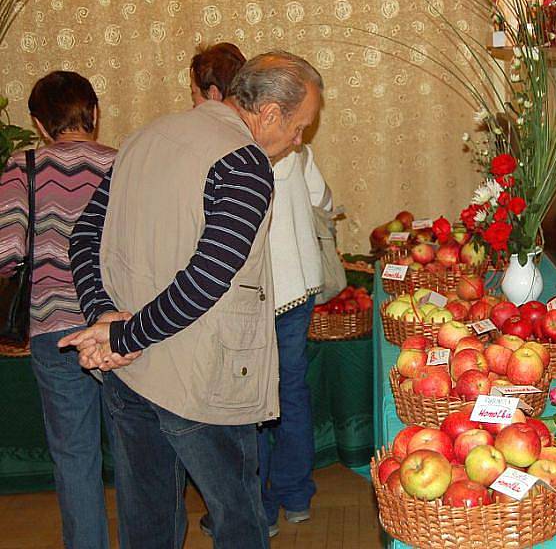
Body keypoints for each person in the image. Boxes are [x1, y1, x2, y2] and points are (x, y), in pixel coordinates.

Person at [59, 51, 324, 549]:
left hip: (130, 373)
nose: (297, 141)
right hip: (202, 382)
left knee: (147, 522)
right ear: (268, 113)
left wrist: (106, 320)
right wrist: (117, 333)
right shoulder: (246, 164)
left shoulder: (144, 136)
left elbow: (82, 235)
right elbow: (206, 279)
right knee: (238, 518)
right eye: (299, 128)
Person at [191, 44, 332, 538]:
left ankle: (257, 507)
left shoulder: (225, 154)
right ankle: (295, 495)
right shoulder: (295, 149)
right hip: (299, 290)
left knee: (251, 400)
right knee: (291, 391)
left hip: (254, 295)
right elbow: (325, 201)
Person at [0, 71, 117, 549]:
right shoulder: (124, 161)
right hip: (119, 329)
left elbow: (7, 252)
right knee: (139, 452)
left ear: (38, 123)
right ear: (93, 112)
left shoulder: (20, 164)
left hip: (53, 330)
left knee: (74, 457)